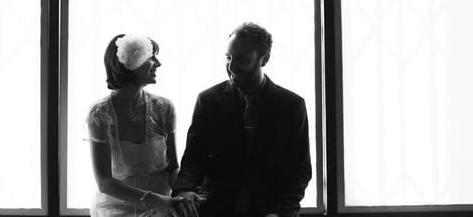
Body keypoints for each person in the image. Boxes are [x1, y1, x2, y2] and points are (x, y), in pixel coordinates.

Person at [172, 23, 312, 217]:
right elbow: (193, 158)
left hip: (270, 211)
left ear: (265, 59)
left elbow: (300, 169)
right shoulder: (208, 100)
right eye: (228, 57)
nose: (231, 66)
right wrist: (184, 190)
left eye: (242, 59)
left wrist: (280, 212)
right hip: (215, 209)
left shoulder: (291, 105)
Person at [86, 34, 197, 217]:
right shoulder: (100, 114)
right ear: (129, 62)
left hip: (162, 207)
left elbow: (172, 168)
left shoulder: (164, 108)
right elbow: (104, 182)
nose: (158, 63)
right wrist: (154, 199)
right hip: (117, 208)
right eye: (151, 57)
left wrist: (185, 192)